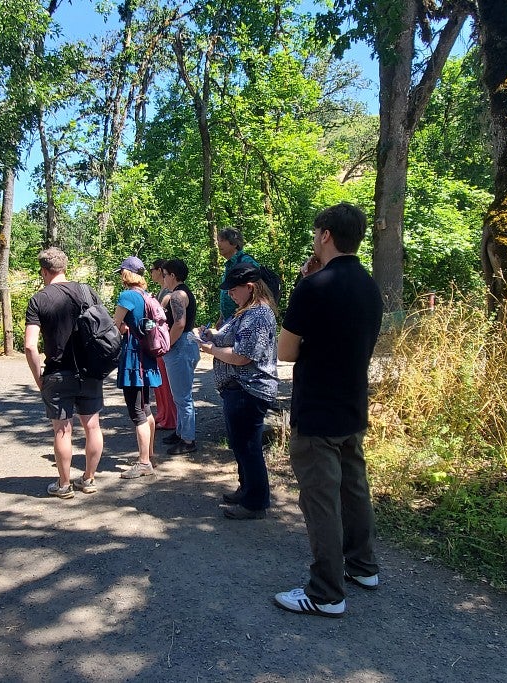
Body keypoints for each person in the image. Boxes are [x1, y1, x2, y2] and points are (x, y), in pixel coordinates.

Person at [273, 203, 384, 618]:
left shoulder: (313, 288)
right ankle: (363, 566)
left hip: (317, 407)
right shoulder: (369, 286)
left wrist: (306, 284)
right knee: (353, 488)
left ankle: (326, 593)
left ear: (324, 235)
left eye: (316, 232)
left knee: (320, 498)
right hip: (352, 403)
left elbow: (286, 351)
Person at [24, 247, 106, 499]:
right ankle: (89, 479)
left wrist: (39, 377)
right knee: (92, 427)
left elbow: (29, 346)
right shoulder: (86, 291)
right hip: (90, 371)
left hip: (58, 372)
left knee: (62, 430)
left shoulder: (38, 300)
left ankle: (63, 484)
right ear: (64, 268)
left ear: (44, 271)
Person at [199, 262, 278, 520]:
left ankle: (256, 503)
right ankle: (247, 489)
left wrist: (210, 350)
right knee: (240, 444)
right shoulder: (246, 312)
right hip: (240, 389)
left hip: (249, 388)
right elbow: (231, 339)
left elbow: (244, 355)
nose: (230, 294)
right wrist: (212, 335)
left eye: (234, 289)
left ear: (250, 287)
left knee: (248, 446)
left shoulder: (257, 315)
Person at [111, 256, 163, 479]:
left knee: (137, 411)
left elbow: (114, 326)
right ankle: (149, 454)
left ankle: (143, 463)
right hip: (148, 355)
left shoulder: (127, 296)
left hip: (134, 358)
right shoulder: (146, 296)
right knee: (146, 407)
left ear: (126, 274)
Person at [160, 258, 199, 454]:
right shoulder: (183, 292)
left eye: (165, 274)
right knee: (179, 395)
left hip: (180, 347)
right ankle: (181, 431)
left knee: (183, 397)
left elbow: (179, 324)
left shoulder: (177, 295)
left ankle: (188, 440)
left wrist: (166, 344)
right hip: (184, 345)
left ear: (173, 275)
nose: (163, 278)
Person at [148, 259, 178, 434]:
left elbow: (157, 314)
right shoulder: (161, 291)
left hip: (163, 342)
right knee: (159, 384)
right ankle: (163, 414)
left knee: (166, 384)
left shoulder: (167, 292)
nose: (151, 274)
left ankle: (170, 418)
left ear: (160, 270)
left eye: (153, 270)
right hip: (158, 341)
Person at [215, 228, 258, 327]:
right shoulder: (229, 264)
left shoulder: (246, 261)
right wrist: (222, 318)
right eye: (218, 241)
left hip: (244, 320)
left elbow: (256, 290)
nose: (219, 244)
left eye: (222, 240)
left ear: (234, 244)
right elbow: (226, 293)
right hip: (230, 320)